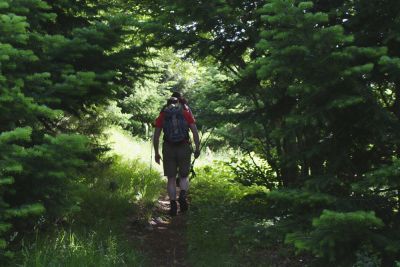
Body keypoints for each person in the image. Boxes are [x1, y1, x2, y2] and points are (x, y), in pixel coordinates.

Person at [153, 95, 200, 216]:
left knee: (171, 178)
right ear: (179, 103)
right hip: (184, 146)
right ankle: (183, 195)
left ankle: (173, 205)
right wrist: (197, 148)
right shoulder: (185, 113)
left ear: (167, 104)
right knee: (184, 176)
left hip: (168, 148)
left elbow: (156, 136)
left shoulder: (163, 115)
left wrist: (157, 153)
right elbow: (194, 131)